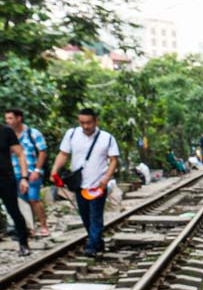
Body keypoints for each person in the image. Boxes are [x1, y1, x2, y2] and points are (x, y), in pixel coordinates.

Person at [50, 108, 119, 257]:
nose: (86, 126)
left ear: (95, 121)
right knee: (85, 216)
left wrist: (106, 177)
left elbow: (114, 160)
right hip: (79, 184)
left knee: (95, 215)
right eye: (82, 123)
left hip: (98, 185)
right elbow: (63, 154)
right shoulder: (72, 134)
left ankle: (92, 246)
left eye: (89, 123)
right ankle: (97, 242)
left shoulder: (107, 138)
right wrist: (55, 169)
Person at [5, 109, 49, 238]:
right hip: (14, 172)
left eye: (10, 118)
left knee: (33, 198)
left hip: (32, 171)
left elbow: (42, 151)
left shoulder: (32, 133)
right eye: (6, 119)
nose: (7, 121)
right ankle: (29, 227)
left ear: (19, 118)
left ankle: (43, 226)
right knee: (22, 201)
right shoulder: (8, 134)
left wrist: (37, 170)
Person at [0, 120, 31, 256]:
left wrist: (24, 177)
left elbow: (20, 154)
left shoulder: (6, 131)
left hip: (6, 178)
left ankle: (23, 244)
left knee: (14, 211)